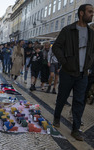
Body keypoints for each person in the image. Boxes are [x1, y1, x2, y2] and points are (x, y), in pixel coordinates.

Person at [52, 4, 94, 141]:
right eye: (90, 11)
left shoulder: (91, 33)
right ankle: (57, 116)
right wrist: (64, 61)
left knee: (79, 101)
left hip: (83, 74)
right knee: (62, 97)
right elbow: (56, 47)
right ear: (81, 13)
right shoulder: (68, 30)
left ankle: (75, 129)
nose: (92, 14)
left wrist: (89, 63)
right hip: (68, 72)